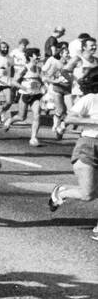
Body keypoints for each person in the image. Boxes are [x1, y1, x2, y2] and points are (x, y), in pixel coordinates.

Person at [48, 67, 98, 240]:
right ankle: (61, 192)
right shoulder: (90, 99)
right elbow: (70, 118)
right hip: (89, 146)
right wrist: (94, 121)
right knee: (88, 194)